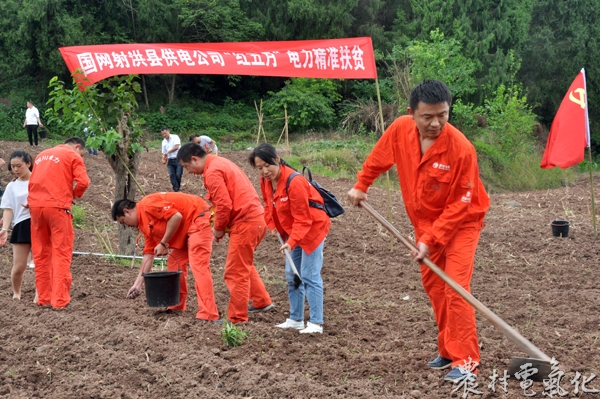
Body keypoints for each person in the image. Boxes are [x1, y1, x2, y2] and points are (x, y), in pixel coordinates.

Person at [347, 80, 490, 383]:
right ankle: (449, 351)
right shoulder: (400, 130)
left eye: (443, 115)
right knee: (436, 288)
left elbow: (460, 205)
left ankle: (466, 362)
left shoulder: (462, 149)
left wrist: (430, 240)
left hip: (462, 224)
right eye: (428, 117)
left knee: (456, 289)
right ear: (412, 113)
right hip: (424, 223)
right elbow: (378, 159)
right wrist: (361, 185)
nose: (436, 123)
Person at [177, 143, 274, 324]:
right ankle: (261, 301)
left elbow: (224, 205)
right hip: (255, 219)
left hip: (246, 221)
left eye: (186, 166)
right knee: (243, 264)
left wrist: (218, 228)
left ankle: (237, 318)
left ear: (194, 159)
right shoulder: (220, 162)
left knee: (235, 272)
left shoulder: (212, 172)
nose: (187, 171)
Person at [249, 143, 330, 334]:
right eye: (259, 168)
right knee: (292, 274)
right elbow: (268, 206)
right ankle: (296, 319)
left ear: (277, 159)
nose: (264, 171)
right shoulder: (265, 181)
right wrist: (272, 226)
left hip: (312, 230)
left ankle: (316, 323)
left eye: (267, 165)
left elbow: (304, 219)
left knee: (309, 274)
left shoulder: (295, 182)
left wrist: (291, 242)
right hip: (290, 232)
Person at [112, 193, 220, 322]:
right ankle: (176, 305)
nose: (126, 226)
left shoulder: (147, 204)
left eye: (123, 222)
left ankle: (209, 314)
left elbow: (176, 216)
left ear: (127, 211)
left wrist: (163, 243)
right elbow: (149, 254)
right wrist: (138, 284)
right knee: (175, 262)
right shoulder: (144, 225)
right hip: (187, 229)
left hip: (199, 217)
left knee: (199, 264)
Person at [28, 137, 90, 309]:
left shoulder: (42, 154)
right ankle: (60, 300)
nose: (82, 156)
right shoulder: (72, 155)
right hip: (58, 207)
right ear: (77, 147)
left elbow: (33, 181)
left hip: (35, 207)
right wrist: (74, 194)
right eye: (82, 153)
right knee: (61, 252)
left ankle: (44, 298)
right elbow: (84, 182)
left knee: (41, 253)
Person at [0, 150, 34, 299]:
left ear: (28, 164)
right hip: (21, 225)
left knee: (41, 265)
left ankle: (39, 297)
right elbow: (8, 209)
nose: (15, 169)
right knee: (18, 267)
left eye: (19, 166)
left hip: (40, 223)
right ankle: (16, 293)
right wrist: (4, 229)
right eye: (13, 166)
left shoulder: (38, 181)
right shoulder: (11, 187)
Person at [161, 127, 183, 192]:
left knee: (178, 175)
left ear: (168, 131)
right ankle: (176, 190)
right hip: (170, 160)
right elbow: (163, 152)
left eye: (165, 133)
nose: (164, 135)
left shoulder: (175, 137)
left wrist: (168, 152)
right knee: (172, 175)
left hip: (179, 159)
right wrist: (164, 158)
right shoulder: (163, 142)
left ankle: (177, 188)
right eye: (163, 134)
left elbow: (176, 147)